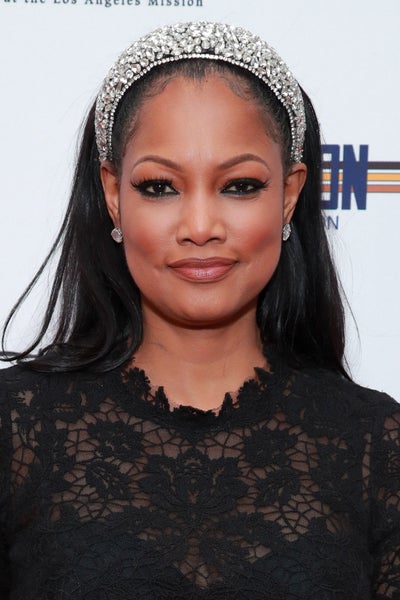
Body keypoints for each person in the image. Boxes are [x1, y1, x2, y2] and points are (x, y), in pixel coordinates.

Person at [0, 21, 399, 600]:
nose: (201, 227)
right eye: (160, 186)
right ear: (113, 194)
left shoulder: (376, 447)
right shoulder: (16, 429)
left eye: (239, 185)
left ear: (289, 195)